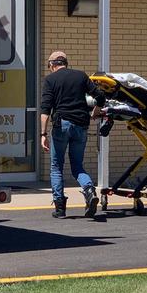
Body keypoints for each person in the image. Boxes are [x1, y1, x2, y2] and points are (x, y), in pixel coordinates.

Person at [40, 51, 105, 219]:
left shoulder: (50, 80)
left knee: (56, 167)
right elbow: (100, 96)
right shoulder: (81, 76)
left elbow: (45, 110)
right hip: (81, 125)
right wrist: (95, 113)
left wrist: (43, 133)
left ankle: (60, 208)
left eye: (49, 66)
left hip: (61, 125)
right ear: (65, 63)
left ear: (53, 64)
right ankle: (89, 191)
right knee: (77, 166)